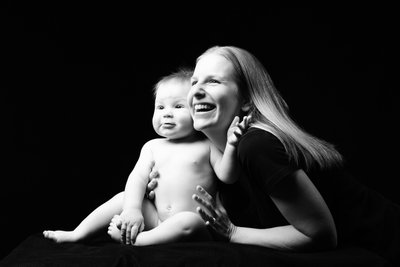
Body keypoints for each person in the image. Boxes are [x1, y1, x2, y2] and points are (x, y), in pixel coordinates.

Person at [146, 45, 400, 263]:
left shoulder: (256, 145)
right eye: (194, 82)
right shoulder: (216, 155)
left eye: (213, 81)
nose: (197, 91)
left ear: (246, 100)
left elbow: (320, 234)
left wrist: (233, 233)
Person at [43, 68, 250, 246]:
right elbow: (138, 178)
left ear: (196, 110)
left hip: (195, 227)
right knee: (124, 197)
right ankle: (78, 234)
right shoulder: (152, 146)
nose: (166, 113)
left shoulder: (206, 145)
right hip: (158, 221)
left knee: (189, 220)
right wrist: (133, 209)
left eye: (178, 106)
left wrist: (232, 145)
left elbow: (228, 176)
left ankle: (138, 240)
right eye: (160, 107)